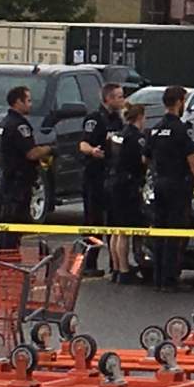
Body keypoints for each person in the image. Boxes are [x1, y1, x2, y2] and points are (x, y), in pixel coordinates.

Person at [148, 86, 194, 292]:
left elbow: (146, 157)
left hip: (159, 184)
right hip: (178, 186)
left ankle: (158, 278)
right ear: (180, 102)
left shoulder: (155, 128)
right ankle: (171, 279)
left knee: (159, 231)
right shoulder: (182, 130)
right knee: (175, 233)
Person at [0, 86, 53, 251]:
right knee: (13, 226)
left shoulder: (5, 122)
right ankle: (9, 261)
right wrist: (49, 149)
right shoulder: (19, 125)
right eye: (28, 100)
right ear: (17, 102)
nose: (30, 104)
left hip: (10, 180)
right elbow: (32, 153)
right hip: (18, 183)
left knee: (10, 226)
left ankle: (7, 258)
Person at [78, 82, 125, 277]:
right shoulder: (95, 119)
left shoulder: (118, 120)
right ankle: (88, 263)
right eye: (119, 96)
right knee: (93, 221)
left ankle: (116, 265)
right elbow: (83, 144)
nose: (123, 100)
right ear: (109, 99)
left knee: (113, 220)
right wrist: (92, 151)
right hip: (94, 177)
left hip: (112, 176)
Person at [107, 103, 149, 284]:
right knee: (124, 230)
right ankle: (124, 270)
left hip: (114, 182)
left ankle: (117, 268)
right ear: (140, 117)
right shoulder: (136, 137)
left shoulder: (119, 135)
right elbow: (143, 159)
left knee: (116, 230)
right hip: (128, 185)